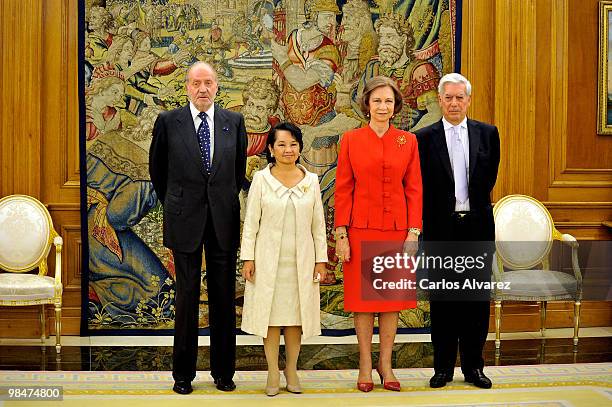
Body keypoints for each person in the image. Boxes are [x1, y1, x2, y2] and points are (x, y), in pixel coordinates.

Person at [149, 61, 247, 394]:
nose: (202, 89)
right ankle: (183, 376)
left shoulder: (234, 122)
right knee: (187, 297)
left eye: (208, 82)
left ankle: (223, 373)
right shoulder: (168, 122)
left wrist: (218, 201)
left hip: (222, 220)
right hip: (184, 219)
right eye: (196, 83)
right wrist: (176, 202)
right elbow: (157, 172)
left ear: (217, 86)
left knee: (223, 298)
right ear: (187, 87)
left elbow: (236, 173)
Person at [334, 76, 423, 392]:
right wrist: (341, 234)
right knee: (363, 303)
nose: (383, 106)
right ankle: (365, 364)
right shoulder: (351, 140)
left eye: (388, 101)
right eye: (377, 101)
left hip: (398, 232)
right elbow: (343, 188)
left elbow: (414, 189)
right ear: (367, 105)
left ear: (395, 105)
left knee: (390, 301)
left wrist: (413, 233)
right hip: (360, 229)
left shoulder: (407, 141)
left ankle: (386, 365)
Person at [415, 73, 500, 389]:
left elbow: (487, 181)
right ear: (440, 100)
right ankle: (443, 369)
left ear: (468, 100)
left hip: (477, 228)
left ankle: (474, 368)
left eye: (459, 97)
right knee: (444, 302)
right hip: (440, 229)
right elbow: (421, 187)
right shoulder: (423, 138)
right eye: (448, 97)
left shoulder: (489, 134)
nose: (453, 103)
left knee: (476, 302)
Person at [240, 122, 328, 396]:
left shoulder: (311, 181)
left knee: (295, 319)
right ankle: (272, 372)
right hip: (267, 261)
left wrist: (320, 261)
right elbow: (251, 223)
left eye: (293, 144)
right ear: (271, 149)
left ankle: (291, 369)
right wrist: (248, 258)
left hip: (301, 262)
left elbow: (318, 225)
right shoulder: (261, 180)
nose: (288, 150)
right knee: (271, 319)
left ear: (300, 147)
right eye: (281, 144)